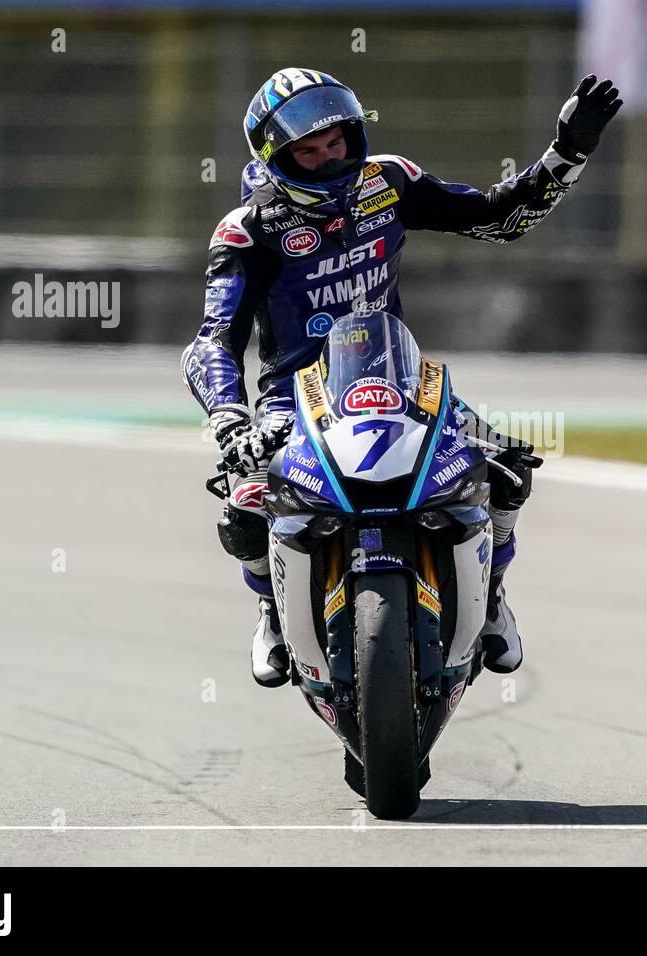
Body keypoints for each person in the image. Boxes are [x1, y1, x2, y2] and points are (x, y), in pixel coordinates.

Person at [181, 66, 621, 687]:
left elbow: (502, 218)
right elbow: (211, 342)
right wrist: (230, 421)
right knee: (246, 499)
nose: (329, 159)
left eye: (336, 142)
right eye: (309, 151)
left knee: (507, 468)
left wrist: (570, 149)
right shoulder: (247, 230)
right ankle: (272, 610)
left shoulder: (389, 181)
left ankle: (490, 595)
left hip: (398, 377)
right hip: (294, 397)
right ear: (278, 158)